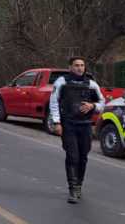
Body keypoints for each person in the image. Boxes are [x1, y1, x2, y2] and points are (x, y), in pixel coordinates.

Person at [49, 56, 105, 204]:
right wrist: (56, 122)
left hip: (85, 125)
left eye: (82, 65)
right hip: (69, 125)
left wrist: (92, 106)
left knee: (83, 157)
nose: (80, 68)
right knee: (72, 156)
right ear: (70, 67)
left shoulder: (91, 84)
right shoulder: (61, 82)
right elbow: (54, 102)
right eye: (76, 65)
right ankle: (72, 189)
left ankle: (79, 185)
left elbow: (102, 102)